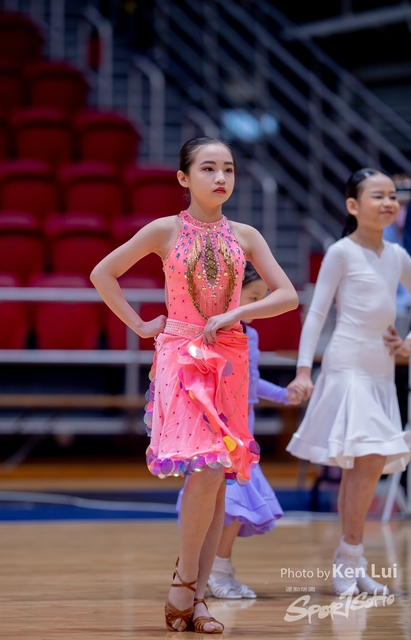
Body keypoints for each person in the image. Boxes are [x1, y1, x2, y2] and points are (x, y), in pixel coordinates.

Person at [90, 137, 298, 633]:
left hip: (229, 358)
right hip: (181, 356)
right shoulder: (164, 229)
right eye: (208, 168)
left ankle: (197, 598)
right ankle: (185, 582)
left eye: (228, 168)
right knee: (206, 467)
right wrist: (141, 325)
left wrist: (237, 312)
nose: (221, 177)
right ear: (184, 178)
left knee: (217, 474)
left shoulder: (245, 235)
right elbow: (103, 273)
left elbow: (288, 295)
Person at [286, 168, 411, 597]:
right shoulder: (340, 252)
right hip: (347, 366)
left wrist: (408, 343)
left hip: (381, 371)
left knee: (364, 465)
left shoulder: (398, 256)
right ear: (353, 205)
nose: (389, 202)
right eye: (378, 195)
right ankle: (349, 558)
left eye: (392, 195)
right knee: (369, 458)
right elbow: (317, 313)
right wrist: (304, 370)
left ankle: (350, 559)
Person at [176, 262, 302, 599]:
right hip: (215, 430)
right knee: (228, 507)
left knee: (232, 509)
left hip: (243, 435)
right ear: (232, 293)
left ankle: (216, 571)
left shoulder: (251, 335)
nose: (259, 305)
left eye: (263, 298)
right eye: (254, 297)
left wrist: (285, 395)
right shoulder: (207, 330)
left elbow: (252, 382)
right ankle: (208, 573)